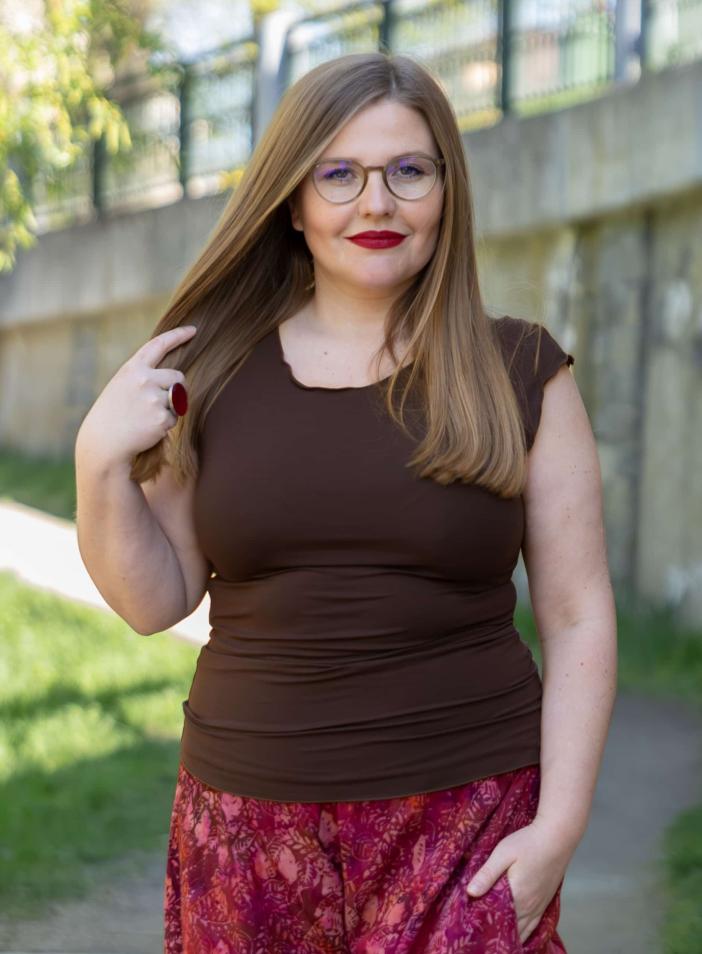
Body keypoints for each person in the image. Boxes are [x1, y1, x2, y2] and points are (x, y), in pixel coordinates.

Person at [74, 51, 617, 954]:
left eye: (409, 171)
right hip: (245, 824)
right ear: (293, 201)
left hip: (468, 821)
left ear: (447, 191)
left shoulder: (521, 371)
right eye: (339, 175)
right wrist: (97, 461)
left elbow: (578, 614)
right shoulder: (212, 371)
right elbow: (151, 600)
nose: (377, 203)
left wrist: (558, 830)